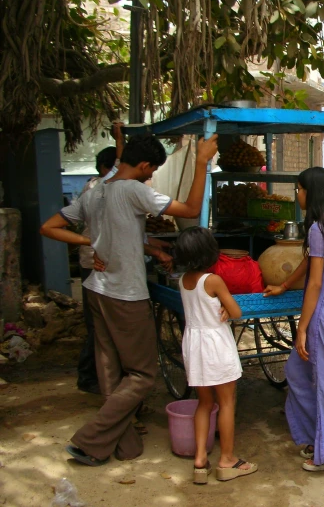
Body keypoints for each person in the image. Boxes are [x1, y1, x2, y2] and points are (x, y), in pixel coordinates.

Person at [40, 132, 218, 466]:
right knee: (141, 374)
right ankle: (88, 440)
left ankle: (122, 444)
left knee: (110, 370)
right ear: (144, 165)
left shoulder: (95, 192)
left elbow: (49, 227)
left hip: (96, 290)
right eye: (151, 170)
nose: (151, 176)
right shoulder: (135, 190)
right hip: (125, 294)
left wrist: (88, 243)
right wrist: (201, 161)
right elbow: (192, 209)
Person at [263, 167, 324, 472]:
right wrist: (285, 284)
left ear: (311, 193)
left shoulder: (319, 228)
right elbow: (309, 262)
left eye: (300, 190)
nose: (297, 195)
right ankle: (315, 436)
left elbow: (315, 283)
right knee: (296, 371)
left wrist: (301, 328)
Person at [174, 227, 257, 484]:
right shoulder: (212, 280)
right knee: (227, 402)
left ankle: (200, 460)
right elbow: (236, 312)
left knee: (205, 403)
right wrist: (224, 305)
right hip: (215, 344)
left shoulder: (183, 280)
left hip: (194, 344)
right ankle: (227, 460)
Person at [76, 123, 125, 395]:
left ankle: (91, 375)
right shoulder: (99, 186)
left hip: (93, 260)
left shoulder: (92, 186)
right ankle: (89, 377)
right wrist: (120, 140)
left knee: (97, 325)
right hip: (95, 262)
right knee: (98, 326)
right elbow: (120, 171)